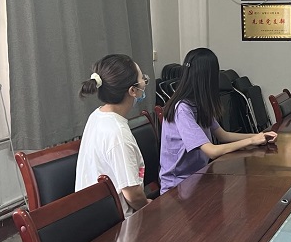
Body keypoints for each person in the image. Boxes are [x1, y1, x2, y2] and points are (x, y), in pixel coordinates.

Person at [160, 47, 277, 194]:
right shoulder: (182, 109)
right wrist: (251, 141)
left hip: (199, 177)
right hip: (177, 188)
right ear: (208, 77)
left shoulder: (199, 103)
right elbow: (212, 151)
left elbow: (223, 135)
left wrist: (258, 136)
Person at [76, 54, 151, 217]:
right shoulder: (117, 133)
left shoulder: (97, 115)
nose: (144, 82)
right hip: (119, 223)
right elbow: (133, 195)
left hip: (92, 215)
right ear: (133, 91)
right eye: (142, 78)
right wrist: (150, 206)